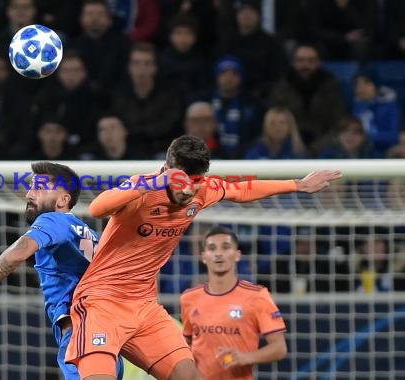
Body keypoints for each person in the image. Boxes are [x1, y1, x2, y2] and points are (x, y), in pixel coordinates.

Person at [65, 135, 341, 379]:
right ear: (167, 170)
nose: (188, 191)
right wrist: (155, 183)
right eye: (181, 182)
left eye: (195, 183)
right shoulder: (142, 188)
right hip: (101, 302)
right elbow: (99, 208)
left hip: (144, 306)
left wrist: (298, 185)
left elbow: (242, 190)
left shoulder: (204, 190)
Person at [0, 162, 123, 380]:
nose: (30, 194)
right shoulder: (86, 232)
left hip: (82, 332)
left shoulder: (53, 219)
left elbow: (17, 254)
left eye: (40, 188)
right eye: (31, 187)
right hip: (107, 335)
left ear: (63, 201)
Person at [180, 226, 287, 379]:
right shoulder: (188, 298)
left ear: (237, 255)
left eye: (226, 247)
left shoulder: (257, 296)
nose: (218, 254)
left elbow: (279, 348)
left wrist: (245, 357)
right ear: (204, 256)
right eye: (212, 248)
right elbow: (187, 344)